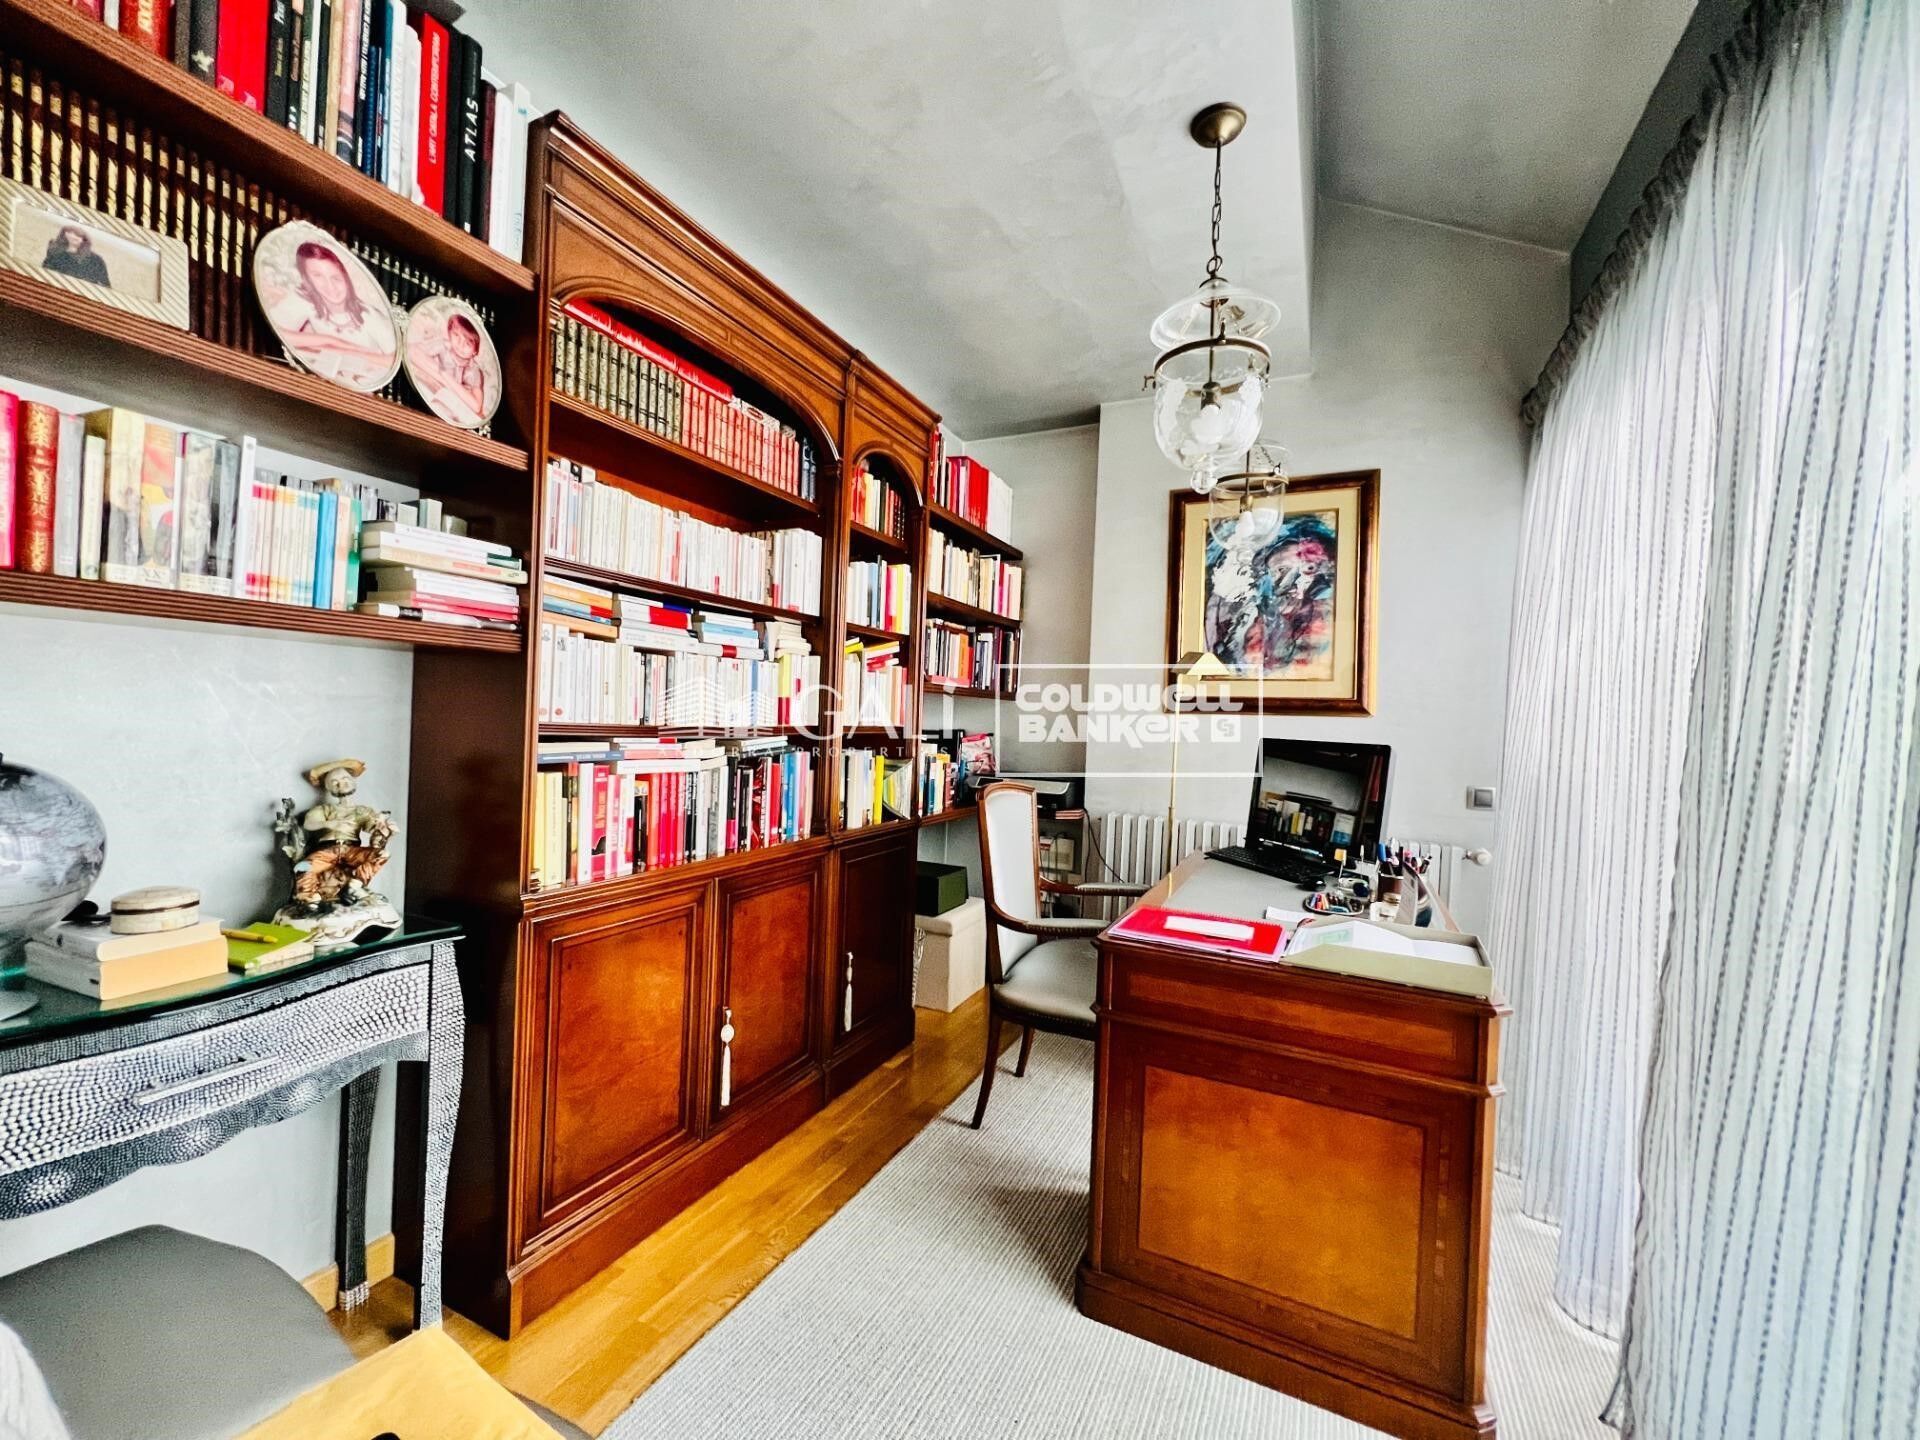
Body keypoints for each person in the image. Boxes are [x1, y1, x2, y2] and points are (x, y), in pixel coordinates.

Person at [274, 241, 394, 388]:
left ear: (346, 278)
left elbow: (393, 360)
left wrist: (343, 351)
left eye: (335, 277)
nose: (330, 286)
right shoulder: (305, 301)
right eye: (318, 276)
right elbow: (278, 331)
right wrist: (331, 341)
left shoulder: (369, 315)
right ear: (308, 280)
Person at [41, 225, 111, 287]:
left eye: (79, 236)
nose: (74, 237)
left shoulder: (96, 260)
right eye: (71, 233)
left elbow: (105, 284)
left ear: (84, 240)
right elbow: (46, 272)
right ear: (64, 235)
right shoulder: (55, 253)